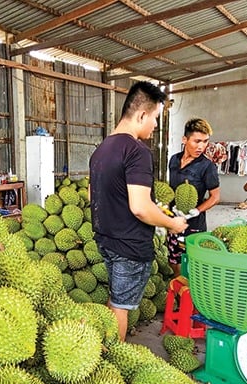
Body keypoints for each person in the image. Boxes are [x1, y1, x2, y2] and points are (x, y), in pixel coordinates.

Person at [89, 81, 188, 341]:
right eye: (155, 118)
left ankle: (104, 350)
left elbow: (94, 196)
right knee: (120, 307)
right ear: (142, 114)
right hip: (129, 245)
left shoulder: (100, 150)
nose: (155, 125)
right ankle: (112, 362)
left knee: (116, 299)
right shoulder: (137, 151)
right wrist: (172, 224)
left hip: (106, 240)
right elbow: (140, 208)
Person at [166, 118, 221, 277]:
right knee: (173, 260)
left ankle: (192, 295)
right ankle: (180, 293)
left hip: (194, 225)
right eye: (197, 141)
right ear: (185, 140)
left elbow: (215, 197)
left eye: (205, 142)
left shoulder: (207, 166)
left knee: (191, 263)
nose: (201, 146)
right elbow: (171, 188)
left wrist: (196, 211)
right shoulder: (174, 160)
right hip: (174, 220)